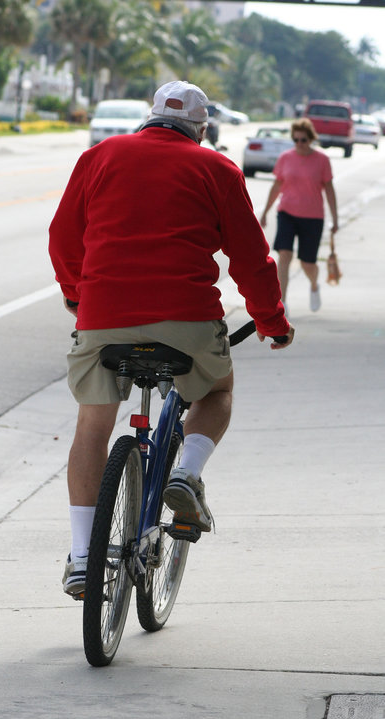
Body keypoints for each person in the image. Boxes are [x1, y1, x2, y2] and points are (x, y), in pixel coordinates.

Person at [49, 80, 295, 597]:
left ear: (150, 117)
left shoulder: (100, 156)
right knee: (217, 393)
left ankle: (79, 557)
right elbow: (252, 259)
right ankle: (185, 473)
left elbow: (64, 237)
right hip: (186, 320)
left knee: (93, 426)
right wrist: (271, 321)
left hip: (104, 316)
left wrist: (77, 296)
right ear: (202, 129)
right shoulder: (217, 168)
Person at [260, 118, 339, 315]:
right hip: (286, 213)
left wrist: (335, 219)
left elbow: (329, 190)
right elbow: (277, 186)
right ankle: (283, 303)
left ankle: (314, 285)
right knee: (284, 255)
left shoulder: (322, 160)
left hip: (313, 217)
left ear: (311, 139)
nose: (299, 144)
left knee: (307, 262)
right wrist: (265, 212)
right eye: (295, 140)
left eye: (303, 140)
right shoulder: (286, 158)